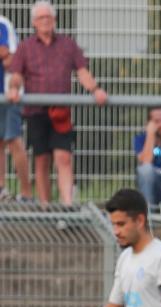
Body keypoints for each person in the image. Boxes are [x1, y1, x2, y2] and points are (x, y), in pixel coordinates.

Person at [6, 1, 107, 206]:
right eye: (41, 18)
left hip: (61, 112)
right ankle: (45, 207)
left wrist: (95, 90)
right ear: (34, 22)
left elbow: (82, 72)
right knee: (42, 160)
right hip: (36, 112)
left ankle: (67, 206)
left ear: (55, 20)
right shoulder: (25, 48)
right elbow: (16, 76)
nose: (45, 21)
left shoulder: (68, 45)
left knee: (63, 157)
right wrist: (14, 88)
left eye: (49, 17)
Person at [0, 13, 31, 203]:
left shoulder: (2, 24)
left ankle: (26, 194)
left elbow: (8, 55)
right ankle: (1, 188)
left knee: (13, 140)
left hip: (9, 92)